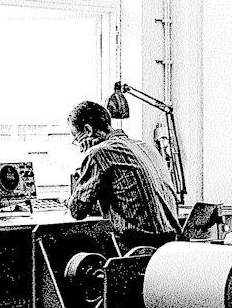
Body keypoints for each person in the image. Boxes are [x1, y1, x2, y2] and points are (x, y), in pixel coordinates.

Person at [67, 100, 182, 253]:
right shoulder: (146, 147)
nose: (79, 145)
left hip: (137, 249)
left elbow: (77, 211)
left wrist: (86, 158)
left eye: (77, 138)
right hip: (171, 248)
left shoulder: (99, 153)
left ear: (88, 130)